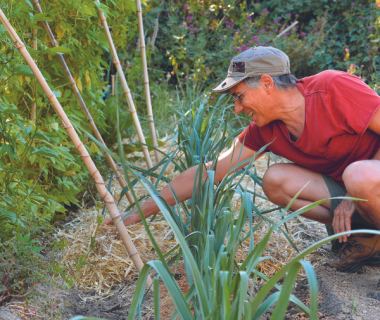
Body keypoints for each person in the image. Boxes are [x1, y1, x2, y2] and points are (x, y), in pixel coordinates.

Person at [105, 46, 380, 273]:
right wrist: (137, 214)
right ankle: (367, 236)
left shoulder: (333, 88)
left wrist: (350, 197)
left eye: (239, 97)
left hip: (369, 180)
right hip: (358, 193)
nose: (237, 109)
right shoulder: (265, 130)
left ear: (267, 83)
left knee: (358, 176)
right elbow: (209, 171)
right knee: (275, 181)